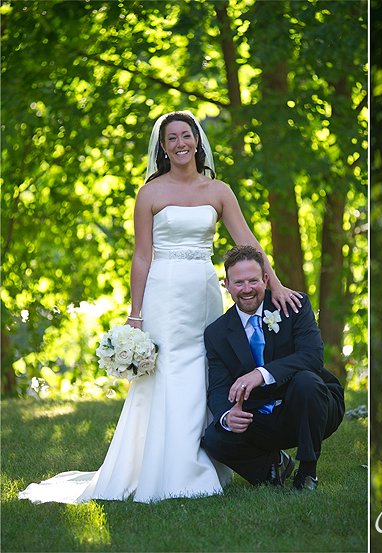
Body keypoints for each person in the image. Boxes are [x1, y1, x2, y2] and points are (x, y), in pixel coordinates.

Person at [19, 110, 303, 504]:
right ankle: (162, 466)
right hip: (164, 293)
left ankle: (208, 461)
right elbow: (141, 257)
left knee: (206, 368)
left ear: (197, 142)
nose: (181, 143)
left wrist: (275, 282)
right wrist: (135, 314)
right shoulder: (149, 193)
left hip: (204, 290)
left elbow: (247, 243)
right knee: (167, 371)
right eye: (172, 138)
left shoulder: (218, 191)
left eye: (186, 135)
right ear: (163, 147)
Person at [201, 245, 344, 490]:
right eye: (238, 283)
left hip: (310, 406)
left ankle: (308, 471)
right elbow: (218, 386)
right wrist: (227, 416)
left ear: (265, 279)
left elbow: (312, 357)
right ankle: (272, 467)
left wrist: (261, 374)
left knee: (306, 382)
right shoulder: (216, 333)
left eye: (253, 281)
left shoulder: (293, 305)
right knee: (214, 439)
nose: (247, 289)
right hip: (260, 416)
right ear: (226, 284)